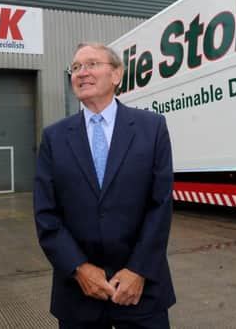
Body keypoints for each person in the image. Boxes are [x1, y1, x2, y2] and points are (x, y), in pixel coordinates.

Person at [34, 42, 176, 329]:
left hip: (142, 292)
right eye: (75, 68)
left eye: (91, 64)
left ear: (116, 75)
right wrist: (79, 268)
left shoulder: (152, 128)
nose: (81, 73)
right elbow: (46, 215)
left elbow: (160, 206)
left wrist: (138, 270)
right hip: (78, 297)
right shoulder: (54, 138)